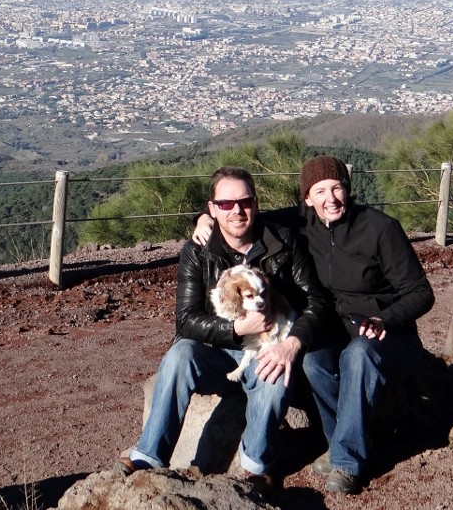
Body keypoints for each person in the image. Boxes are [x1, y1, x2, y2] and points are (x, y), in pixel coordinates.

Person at [192, 156, 435, 494]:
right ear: (307, 198)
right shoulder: (302, 222)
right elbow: (241, 216)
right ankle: (343, 445)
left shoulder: (381, 228)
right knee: (310, 361)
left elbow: (421, 292)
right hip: (333, 331)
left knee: (357, 356)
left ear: (347, 190)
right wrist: (204, 218)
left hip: (384, 333)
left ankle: (347, 463)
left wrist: (385, 318)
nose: (330, 198)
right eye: (319, 191)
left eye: (336, 188)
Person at [121, 166, 328, 493]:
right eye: (226, 204)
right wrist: (236, 328)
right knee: (179, 354)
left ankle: (255, 470)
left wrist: (293, 343)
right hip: (215, 353)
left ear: (256, 204)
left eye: (244, 202)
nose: (237, 210)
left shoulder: (283, 242)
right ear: (212, 208)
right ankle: (148, 457)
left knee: (276, 375)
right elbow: (186, 319)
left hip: (263, 348)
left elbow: (316, 301)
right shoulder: (197, 251)